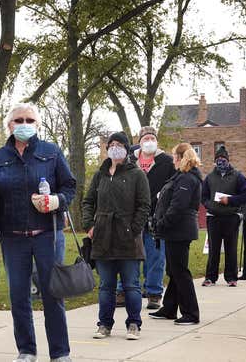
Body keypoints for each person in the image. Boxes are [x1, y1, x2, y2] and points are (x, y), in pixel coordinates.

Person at [0, 103, 76, 362]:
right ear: (9, 125)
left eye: (29, 120)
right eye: (19, 120)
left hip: (47, 234)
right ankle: (26, 350)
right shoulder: (0, 157)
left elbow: (69, 186)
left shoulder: (52, 152)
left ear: (37, 124)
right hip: (12, 237)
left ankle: (60, 353)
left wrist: (57, 201)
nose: (24, 124)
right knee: (19, 296)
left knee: (53, 294)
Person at [82, 132, 151, 341]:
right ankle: (104, 324)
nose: (115, 148)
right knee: (106, 285)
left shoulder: (137, 174)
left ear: (127, 148)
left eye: (119, 144)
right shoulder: (100, 175)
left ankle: (133, 323)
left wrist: (134, 228)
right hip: (103, 238)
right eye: (111, 144)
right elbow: (88, 202)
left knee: (131, 284)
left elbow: (144, 205)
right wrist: (90, 225)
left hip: (128, 238)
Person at [116, 126, 175, 310]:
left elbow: (172, 185)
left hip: (156, 215)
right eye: (145, 138)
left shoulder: (166, 161)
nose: (149, 141)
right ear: (139, 141)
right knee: (128, 254)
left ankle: (154, 293)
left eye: (152, 138)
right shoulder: (128, 160)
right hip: (131, 216)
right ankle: (124, 290)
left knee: (155, 256)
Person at [148, 143, 202, 325]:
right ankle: (170, 307)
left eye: (174, 156)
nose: (172, 160)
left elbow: (178, 206)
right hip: (175, 230)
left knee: (180, 271)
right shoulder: (181, 176)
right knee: (174, 270)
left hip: (179, 230)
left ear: (180, 157)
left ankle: (191, 313)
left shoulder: (187, 179)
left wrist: (163, 223)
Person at [201, 146, 246, 287]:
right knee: (214, 249)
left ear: (228, 160)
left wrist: (230, 200)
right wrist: (209, 205)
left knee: (231, 248)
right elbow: (203, 196)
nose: (220, 162)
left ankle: (231, 277)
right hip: (214, 217)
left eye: (223, 159)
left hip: (231, 217)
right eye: (217, 160)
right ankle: (210, 277)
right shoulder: (210, 177)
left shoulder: (238, 176)